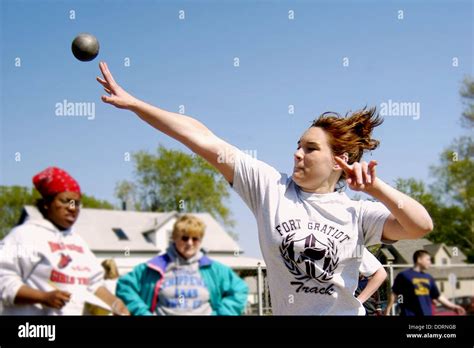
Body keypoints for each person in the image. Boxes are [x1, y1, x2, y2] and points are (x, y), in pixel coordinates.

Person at [96, 61, 433, 315]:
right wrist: (137, 105)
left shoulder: (358, 213)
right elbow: (201, 137)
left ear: (338, 160)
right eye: (298, 144)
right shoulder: (270, 188)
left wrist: (376, 189)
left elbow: (420, 225)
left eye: (310, 148)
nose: (297, 153)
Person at [0, 167, 130, 316]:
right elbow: (3, 279)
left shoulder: (78, 242)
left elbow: (94, 285)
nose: (72, 208)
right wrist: (43, 297)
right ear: (46, 203)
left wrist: (115, 303)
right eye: (66, 201)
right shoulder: (24, 235)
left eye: (77, 203)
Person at [116, 214, 248, 315]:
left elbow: (240, 289)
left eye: (195, 238)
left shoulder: (214, 269)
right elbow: (124, 286)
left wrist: (221, 314)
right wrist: (143, 313)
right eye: (185, 238)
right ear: (174, 237)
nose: (190, 243)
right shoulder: (154, 267)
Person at [384, 250, 465, 316]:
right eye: (428, 259)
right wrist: (387, 310)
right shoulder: (404, 275)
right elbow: (394, 293)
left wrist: (453, 306)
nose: (430, 262)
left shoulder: (429, 278)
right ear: (419, 260)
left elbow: (438, 296)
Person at [355, 248, 387, 315]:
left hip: (368, 308)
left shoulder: (368, 282)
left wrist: (378, 307)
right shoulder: (350, 282)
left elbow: (376, 295)